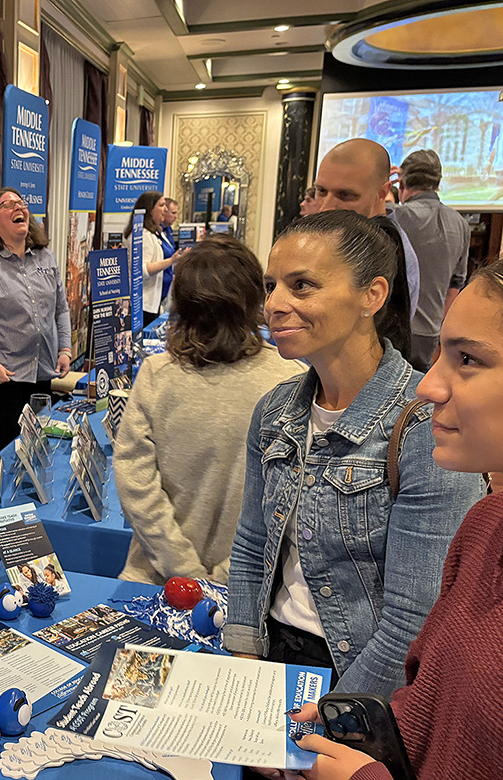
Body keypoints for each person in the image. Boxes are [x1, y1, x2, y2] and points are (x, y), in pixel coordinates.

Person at [224, 211, 485, 698]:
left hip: (358, 676)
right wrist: (243, 660)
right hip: (269, 653)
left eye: (302, 286)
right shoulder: (275, 410)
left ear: (373, 296)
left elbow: (414, 621)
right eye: (272, 284)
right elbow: (251, 546)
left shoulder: (425, 427)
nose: (274, 304)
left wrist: (333, 717)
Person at [285, 261, 503, 780]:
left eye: (468, 360)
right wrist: (366, 731)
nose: (430, 388)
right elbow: (434, 700)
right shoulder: (483, 526)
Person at [114, 236, 303, 586]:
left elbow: (135, 483)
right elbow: (289, 500)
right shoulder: (291, 378)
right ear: (253, 299)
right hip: (248, 590)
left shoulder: (158, 374)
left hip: (160, 581)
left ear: (182, 303)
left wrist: (184, 572)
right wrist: (219, 577)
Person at [0, 188, 71, 449]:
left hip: (42, 374)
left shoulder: (46, 257)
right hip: (4, 379)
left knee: (39, 450)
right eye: (8, 205)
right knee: (7, 457)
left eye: (21, 203)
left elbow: (61, 309)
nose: (18, 207)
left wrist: (65, 348)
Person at [314, 138, 420, 319]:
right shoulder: (342, 237)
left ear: (383, 192)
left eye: (345, 195)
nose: (326, 207)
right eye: (321, 191)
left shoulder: (392, 255)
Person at [393, 149, 470, 371]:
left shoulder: (397, 216)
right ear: (437, 183)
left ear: (402, 183)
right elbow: (455, 287)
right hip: (431, 332)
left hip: (394, 330)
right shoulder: (460, 223)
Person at [123, 190, 175, 327]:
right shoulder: (142, 236)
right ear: (150, 209)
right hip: (143, 303)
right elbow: (142, 270)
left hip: (156, 300)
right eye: (161, 205)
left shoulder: (157, 232)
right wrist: (171, 261)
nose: (166, 209)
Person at [159, 197, 180, 304]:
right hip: (157, 284)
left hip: (168, 281)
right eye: (173, 213)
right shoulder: (156, 231)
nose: (175, 217)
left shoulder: (169, 230)